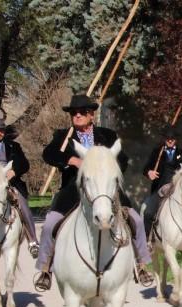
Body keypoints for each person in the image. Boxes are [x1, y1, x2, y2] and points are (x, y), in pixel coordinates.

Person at [33, 94, 153, 291]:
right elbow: (49, 154)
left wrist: (107, 164)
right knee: (49, 226)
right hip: (74, 189)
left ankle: (141, 265)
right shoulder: (63, 136)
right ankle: (45, 269)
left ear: (91, 115)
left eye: (82, 112)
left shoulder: (108, 135)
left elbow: (123, 160)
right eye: (73, 113)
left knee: (136, 221)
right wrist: (71, 160)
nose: (77, 115)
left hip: (106, 189)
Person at [0, 117, 40, 257]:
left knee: (23, 205)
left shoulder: (14, 146)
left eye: (2, 130)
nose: (0, 132)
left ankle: (33, 241)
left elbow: (24, 163)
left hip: (11, 184)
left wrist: (14, 171)